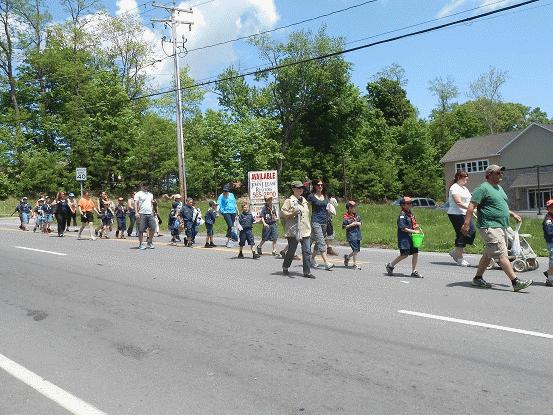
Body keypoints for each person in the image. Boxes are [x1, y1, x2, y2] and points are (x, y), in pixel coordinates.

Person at [461, 164, 532, 291]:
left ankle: (477, 278)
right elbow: (471, 206)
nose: (501, 175)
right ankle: (515, 282)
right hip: (490, 226)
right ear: (489, 175)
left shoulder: (499, 188)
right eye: (498, 173)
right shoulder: (483, 188)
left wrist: (512, 213)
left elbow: (500, 205)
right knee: (502, 254)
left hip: (502, 226)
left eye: (501, 173)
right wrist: (466, 224)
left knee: (488, 254)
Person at [281, 181, 315, 279]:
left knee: (307, 251)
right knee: (291, 251)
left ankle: (307, 272)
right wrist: (292, 214)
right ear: (293, 189)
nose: (300, 190)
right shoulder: (289, 201)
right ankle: (285, 266)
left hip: (305, 230)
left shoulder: (304, 200)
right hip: (294, 231)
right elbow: (283, 215)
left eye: (301, 188)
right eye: (298, 188)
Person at [385, 197, 423, 278]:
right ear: (403, 205)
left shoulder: (410, 214)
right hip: (404, 238)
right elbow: (403, 228)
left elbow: (414, 223)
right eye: (408, 203)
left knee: (415, 253)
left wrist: (416, 227)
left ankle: (414, 271)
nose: (410, 205)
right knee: (404, 255)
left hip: (412, 238)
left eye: (410, 203)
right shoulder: (402, 215)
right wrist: (413, 231)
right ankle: (390, 265)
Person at [447, 171, 475, 267]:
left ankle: (456, 251)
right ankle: (459, 259)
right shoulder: (454, 188)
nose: (467, 179)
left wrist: (475, 208)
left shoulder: (464, 188)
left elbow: (470, 201)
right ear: (459, 177)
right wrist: (470, 209)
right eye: (465, 177)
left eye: (467, 177)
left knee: (472, 231)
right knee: (462, 234)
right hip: (456, 214)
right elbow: (458, 202)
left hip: (465, 213)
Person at [307, 179, 334, 271]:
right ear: (314, 186)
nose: (320, 187)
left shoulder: (325, 196)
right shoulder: (311, 196)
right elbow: (306, 208)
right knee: (322, 241)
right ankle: (326, 262)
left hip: (325, 221)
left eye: (321, 185)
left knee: (317, 242)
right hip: (315, 221)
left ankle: (312, 258)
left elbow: (327, 207)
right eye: (318, 185)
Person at [134, 182, 156, 250]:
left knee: (153, 227)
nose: (146, 186)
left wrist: (153, 212)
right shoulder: (138, 194)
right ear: (142, 186)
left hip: (150, 213)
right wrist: (136, 212)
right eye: (145, 185)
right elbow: (135, 203)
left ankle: (149, 242)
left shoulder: (150, 194)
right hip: (142, 213)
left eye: (147, 185)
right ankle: (141, 244)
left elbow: (151, 204)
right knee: (141, 230)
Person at [342, 201, 362, 270]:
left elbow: (360, 221)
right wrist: (351, 225)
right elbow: (344, 226)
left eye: (355, 206)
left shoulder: (356, 215)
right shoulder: (346, 216)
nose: (355, 208)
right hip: (351, 235)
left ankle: (347, 257)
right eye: (353, 207)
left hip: (358, 234)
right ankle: (354, 264)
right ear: (349, 208)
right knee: (355, 250)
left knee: (356, 250)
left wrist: (359, 223)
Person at [542, 199, 553, 287]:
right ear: (548, 209)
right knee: (552, 260)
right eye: (551, 207)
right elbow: (549, 231)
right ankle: (550, 280)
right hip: (551, 242)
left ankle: (548, 272)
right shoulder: (548, 219)